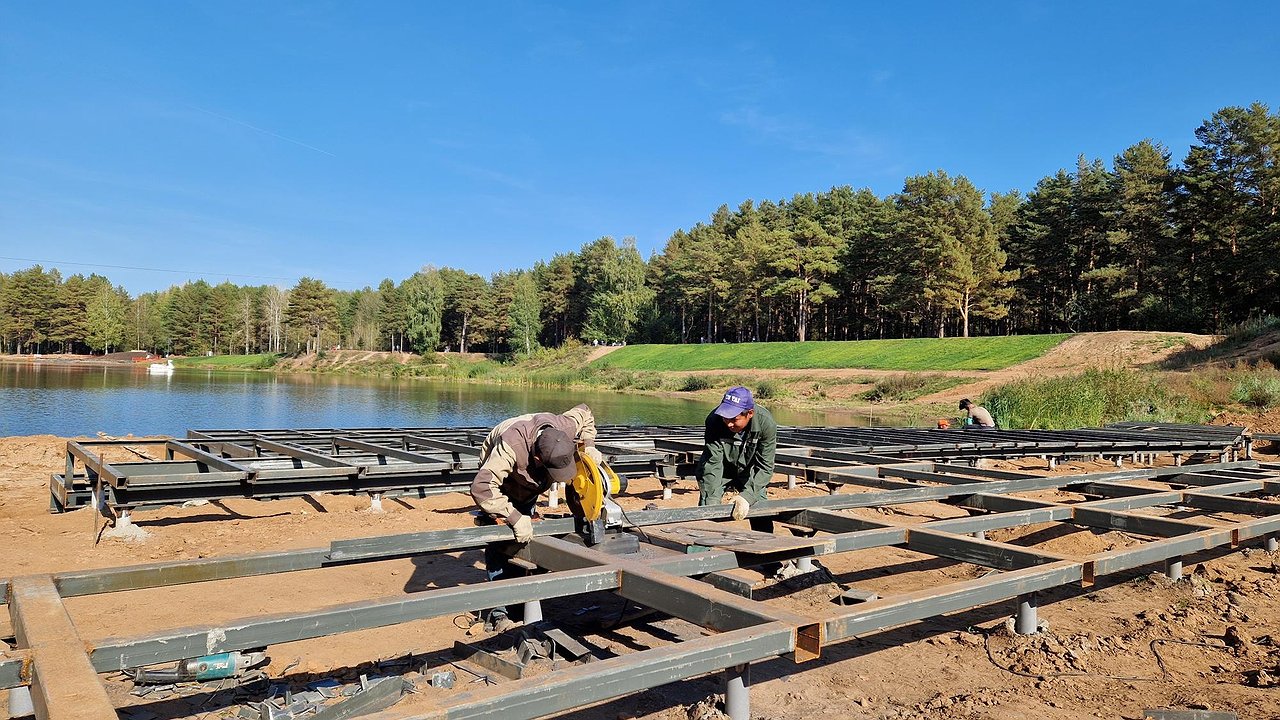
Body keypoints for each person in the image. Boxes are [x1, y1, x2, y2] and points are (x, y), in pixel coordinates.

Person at [469, 404, 600, 630]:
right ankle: (498, 609)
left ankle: (523, 596)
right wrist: (513, 516)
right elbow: (482, 488)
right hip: (502, 481)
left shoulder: (564, 427)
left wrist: (588, 446)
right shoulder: (510, 447)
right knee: (501, 537)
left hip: (531, 475)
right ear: (539, 458)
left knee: (530, 530)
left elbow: (585, 412)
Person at [697, 386, 796, 578]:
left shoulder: (766, 424)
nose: (728, 424)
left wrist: (747, 496)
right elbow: (712, 464)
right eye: (726, 418)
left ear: (749, 413)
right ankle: (696, 560)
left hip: (749, 471)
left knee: (760, 508)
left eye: (734, 419)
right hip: (721, 468)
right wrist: (710, 499)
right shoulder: (714, 421)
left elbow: (765, 467)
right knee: (705, 511)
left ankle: (768, 560)